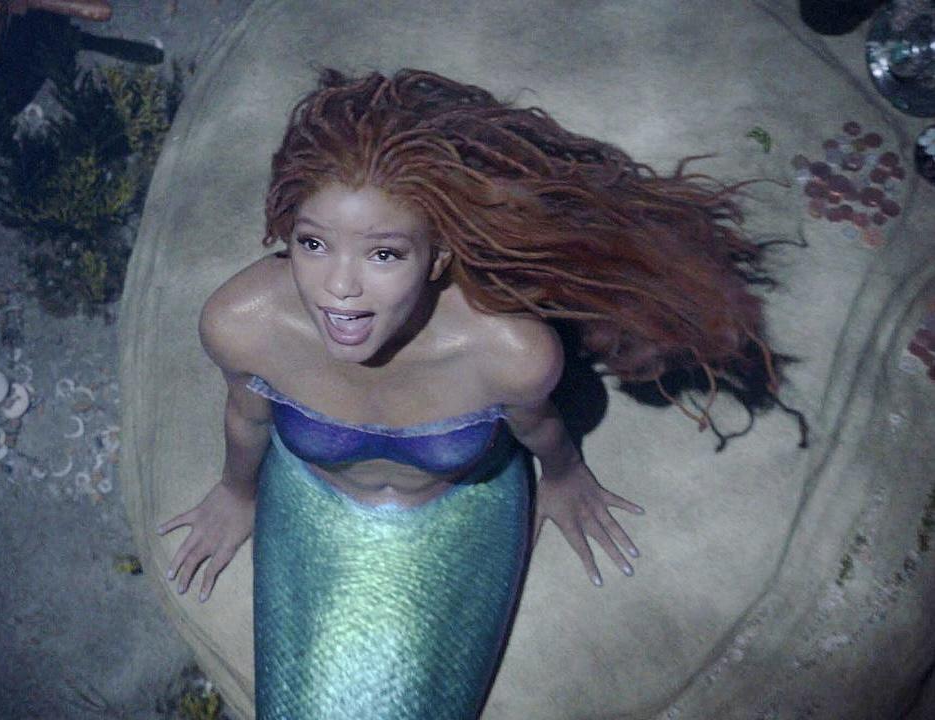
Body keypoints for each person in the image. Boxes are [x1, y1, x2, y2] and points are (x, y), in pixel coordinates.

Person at [155, 68, 785, 719]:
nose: (339, 287)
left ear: (436, 258)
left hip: (458, 510)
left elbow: (538, 426)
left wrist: (564, 476)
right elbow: (247, 417)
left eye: (383, 254)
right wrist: (237, 491)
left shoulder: (507, 351)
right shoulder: (242, 322)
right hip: (314, 500)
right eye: (314, 244)